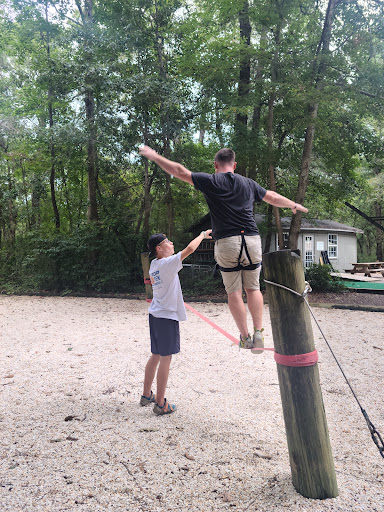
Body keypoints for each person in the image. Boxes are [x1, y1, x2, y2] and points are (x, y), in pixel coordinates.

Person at [139, 145, 308, 354]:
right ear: (234, 165)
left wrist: (155, 156)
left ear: (215, 165)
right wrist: (293, 204)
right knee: (253, 288)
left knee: (234, 292)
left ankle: (245, 337)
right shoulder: (249, 183)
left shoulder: (211, 180)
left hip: (227, 241)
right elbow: (272, 196)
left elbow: (180, 171)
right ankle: (258, 332)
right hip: (252, 239)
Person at [140, 229, 212, 415]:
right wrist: (202, 234)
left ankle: (147, 395)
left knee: (156, 354)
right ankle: (160, 403)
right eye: (168, 242)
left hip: (155, 315)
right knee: (166, 358)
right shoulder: (166, 263)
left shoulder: (154, 264)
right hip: (166, 317)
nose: (171, 244)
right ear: (159, 248)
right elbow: (189, 249)